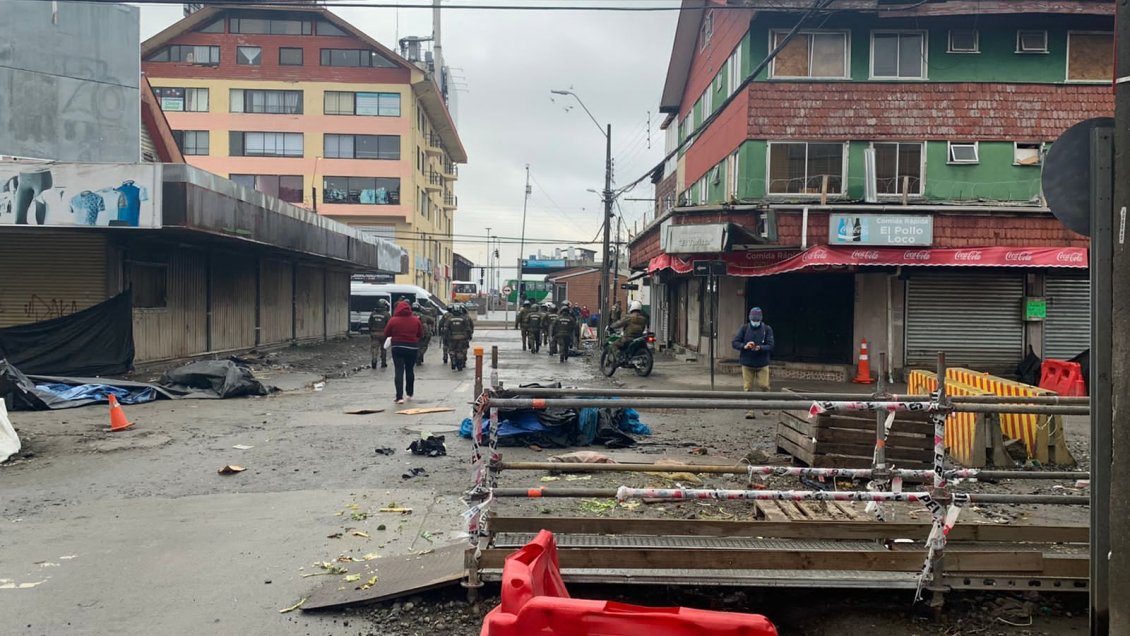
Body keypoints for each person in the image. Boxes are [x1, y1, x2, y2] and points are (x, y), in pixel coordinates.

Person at [731, 307, 775, 419]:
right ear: (750, 319)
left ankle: (765, 406)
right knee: (748, 387)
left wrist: (760, 347)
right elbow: (735, 342)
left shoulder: (767, 329)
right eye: (753, 320)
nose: (755, 322)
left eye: (757, 320)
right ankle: (749, 410)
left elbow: (771, 345)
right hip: (747, 363)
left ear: (760, 319)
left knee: (764, 386)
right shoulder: (744, 328)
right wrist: (744, 346)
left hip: (762, 363)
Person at [383, 300, 424, 404]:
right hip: (412, 348)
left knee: (399, 370)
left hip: (397, 347)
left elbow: (386, 333)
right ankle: (409, 393)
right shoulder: (416, 320)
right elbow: (420, 334)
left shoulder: (393, 320)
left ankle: (399, 397)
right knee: (410, 370)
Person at [445, 305, 475, 370]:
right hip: (462, 338)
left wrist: (447, 337)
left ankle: (453, 360)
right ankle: (460, 364)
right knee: (460, 351)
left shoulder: (449, 319)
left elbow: (446, 329)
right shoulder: (464, 319)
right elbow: (468, 329)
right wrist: (469, 336)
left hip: (452, 338)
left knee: (452, 350)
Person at [367, 298, 392, 369]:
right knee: (383, 349)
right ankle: (383, 363)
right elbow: (389, 324)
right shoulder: (386, 314)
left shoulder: (373, 314)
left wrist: (371, 332)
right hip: (384, 334)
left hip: (374, 334)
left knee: (374, 348)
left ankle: (374, 361)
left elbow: (369, 324)